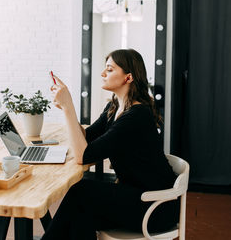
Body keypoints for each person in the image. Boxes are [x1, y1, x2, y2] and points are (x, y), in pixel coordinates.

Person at [42, 49, 179, 240]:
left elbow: (83, 156)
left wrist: (68, 108)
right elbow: (87, 137)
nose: (102, 74)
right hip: (136, 195)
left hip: (156, 205)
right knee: (81, 212)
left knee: (81, 193)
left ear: (128, 77)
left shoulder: (136, 116)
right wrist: (68, 107)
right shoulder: (114, 107)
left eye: (110, 69)